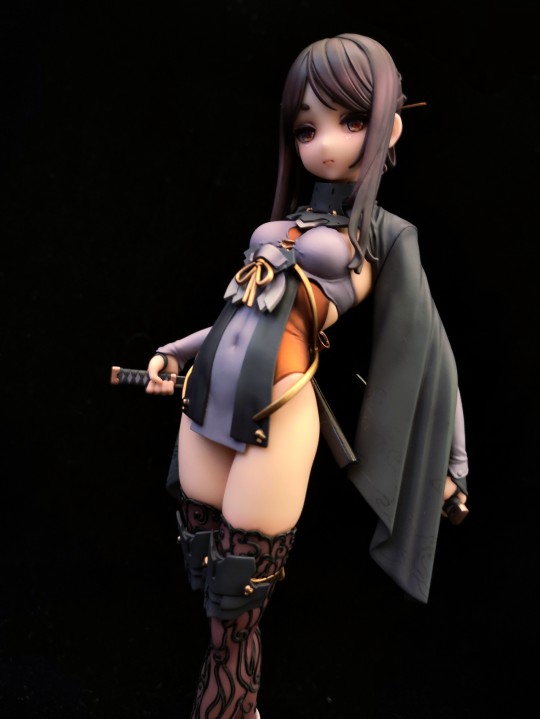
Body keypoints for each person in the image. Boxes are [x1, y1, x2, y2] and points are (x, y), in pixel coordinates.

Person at [144, 33, 469, 719]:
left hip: (279, 407)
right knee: (203, 555)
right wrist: (174, 353)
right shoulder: (287, 223)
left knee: (238, 582)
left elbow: (430, 352)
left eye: (351, 121)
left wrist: (452, 464)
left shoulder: (386, 235)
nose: (324, 144)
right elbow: (239, 312)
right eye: (306, 127)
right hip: (208, 399)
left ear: (389, 127)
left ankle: (229, 704)